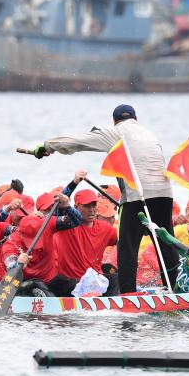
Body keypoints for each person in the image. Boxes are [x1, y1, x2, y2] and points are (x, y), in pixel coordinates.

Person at [31, 103, 176, 294]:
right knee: (166, 242)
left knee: (127, 247)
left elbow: (79, 141)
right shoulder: (150, 135)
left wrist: (47, 146)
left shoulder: (116, 132)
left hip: (137, 196)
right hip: (165, 194)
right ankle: (175, 288)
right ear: (136, 119)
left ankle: (128, 294)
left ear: (115, 121)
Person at [1, 192, 84, 296]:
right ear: (21, 234)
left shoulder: (46, 224)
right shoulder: (12, 241)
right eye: (29, 239)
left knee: (72, 285)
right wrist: (18, 263)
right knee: (37, 285)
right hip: (24, 283)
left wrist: (66, 206)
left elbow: (78, 220)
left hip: (49, 279)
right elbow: (10, 263)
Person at [51, 189, 119, 296]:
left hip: (96, 284)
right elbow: (60, 207)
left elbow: (125, 244)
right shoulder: (66, 225)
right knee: (59, 281)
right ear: (76, 207)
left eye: (94, 205)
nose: (91, 210)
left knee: (116, 277)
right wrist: (74, 182)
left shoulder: (106, 229)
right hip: (71, 283)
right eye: (87, 206)